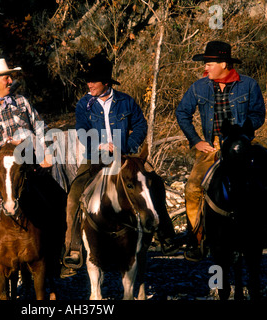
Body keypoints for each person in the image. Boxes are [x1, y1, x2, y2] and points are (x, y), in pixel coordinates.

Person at [62, 54, 179, 277]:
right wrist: (100, 147)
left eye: (93, 80)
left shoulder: (125, 101)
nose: (89, 84)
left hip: (125, 156)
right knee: (74, 194)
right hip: (95, 158)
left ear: (106, 81)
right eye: (88, 80)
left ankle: (165, 233)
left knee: (155, 182)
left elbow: (140, 124)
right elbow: (82, 131)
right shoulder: (83, 104)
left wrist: (127, 147)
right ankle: (74, 246)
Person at [176, 41, 267, 261]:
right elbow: (182, 113)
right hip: (212, 147)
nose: (205, 68)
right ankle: (197, 239)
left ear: (224, 63)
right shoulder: (198, 87)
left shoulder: (249, 85)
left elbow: (258, 114)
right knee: (192, 189)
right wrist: (196, 140)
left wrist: (243, 134)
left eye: (209, 63)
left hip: (242, 144)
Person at [0, 58, 55, 277]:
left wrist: (46, 151)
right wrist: (6, 150)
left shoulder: (21, 101)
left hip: (30, 163)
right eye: (6, 77)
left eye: (10, 76)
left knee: (58, 198)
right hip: (0, 165)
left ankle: (59, 253)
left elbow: (40, 127)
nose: (10, 80)